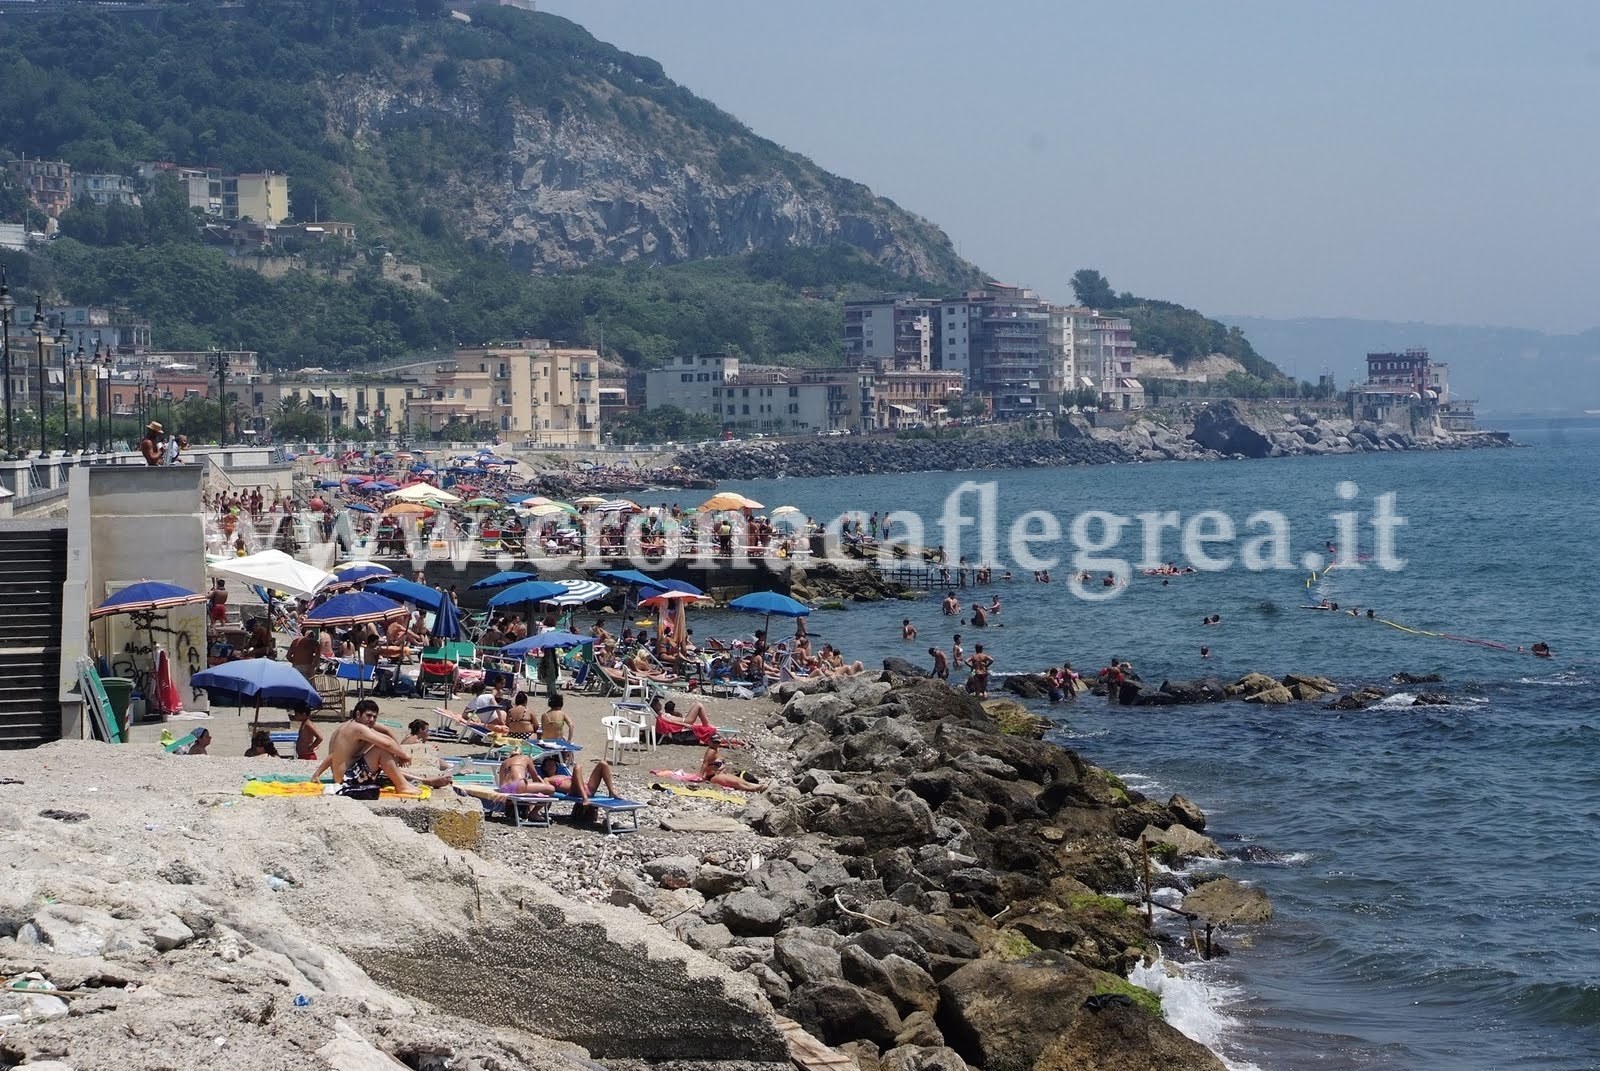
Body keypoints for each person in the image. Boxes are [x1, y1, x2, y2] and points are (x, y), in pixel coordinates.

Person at [311, 700, 450, 798]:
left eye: (374, 717)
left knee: (388, 766)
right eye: (368, 716)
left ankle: (425, 781)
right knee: (381, 750)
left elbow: (335, 755)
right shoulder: (357, 728)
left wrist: (316, 774)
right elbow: (386, 745)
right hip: (348, 780)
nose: (371, 720)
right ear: (358, 714)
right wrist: (403, 755)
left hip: (346, 776)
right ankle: (402, 786)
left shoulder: (348, 727)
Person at [700, 742, 765, 792]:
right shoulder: (710, 752)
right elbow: (704, 764)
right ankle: (754, 789)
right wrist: (700, 776)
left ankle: (758, 786)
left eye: (718, 742)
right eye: (715, 742)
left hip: (721, 773)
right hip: (713, 776)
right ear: (710, 742)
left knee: (741, 781)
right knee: (736, 783)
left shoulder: (717, 750)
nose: (717, 743)